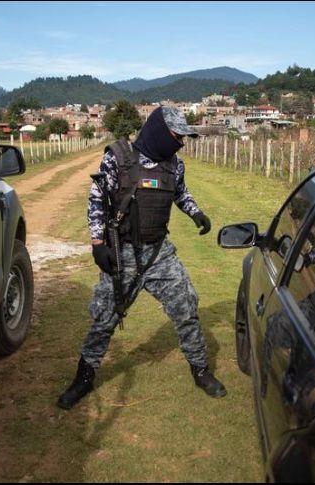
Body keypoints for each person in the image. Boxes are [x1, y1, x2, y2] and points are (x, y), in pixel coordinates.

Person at [57, 106, 226, 410]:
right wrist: (97, 244)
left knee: (186, 307)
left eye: (183, 138)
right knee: (104, 317)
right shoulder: (118, 158)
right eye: (177, 136)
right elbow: (97, 200)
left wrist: (196, 213)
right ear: (159, 131)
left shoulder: (174, 165)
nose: (181, 143)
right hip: (122, 254)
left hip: (160, 254)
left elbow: (180, 193)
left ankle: (200, 370)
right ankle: (84, 377)